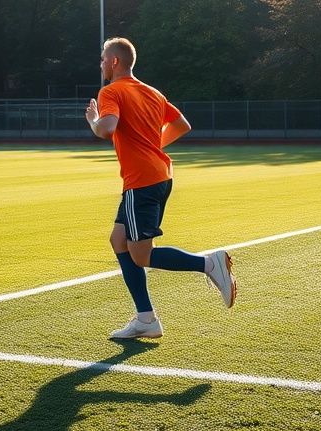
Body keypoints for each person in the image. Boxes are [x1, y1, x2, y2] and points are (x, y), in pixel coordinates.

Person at [85, 37, 235, 340]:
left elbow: (107, 129)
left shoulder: (110, 91)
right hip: (161, 175)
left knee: (141, 255)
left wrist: (93, 120)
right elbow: (182, 125)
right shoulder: (152, 92)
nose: (100, 63)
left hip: (141, 181)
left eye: (103, 58)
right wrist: (152, 146)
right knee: (119, 240)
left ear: (114, 62)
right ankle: (146, 319)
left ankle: (209, 264)